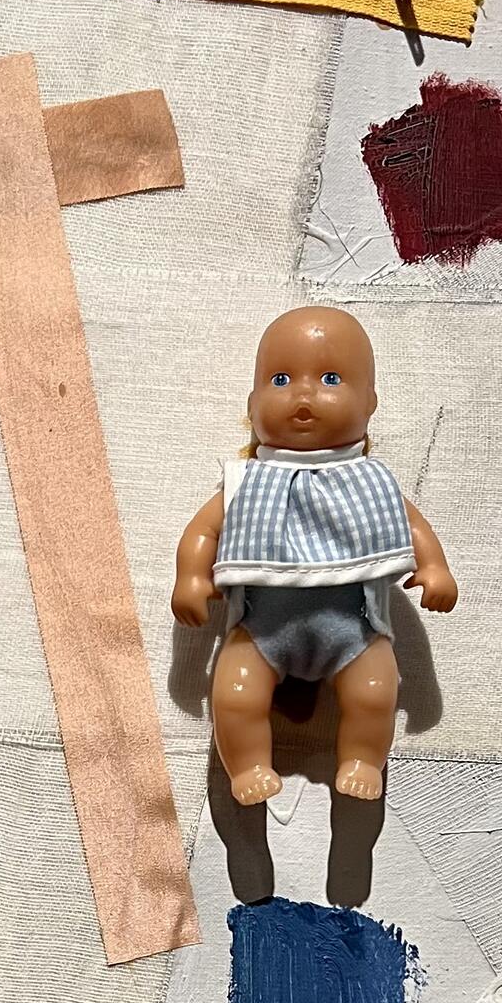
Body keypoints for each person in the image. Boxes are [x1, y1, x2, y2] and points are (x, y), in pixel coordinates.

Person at [172, 305, 457, 805]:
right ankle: (247, 764)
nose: (303, 395)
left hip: (355, 630)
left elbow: (411, 524)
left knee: (375, 692)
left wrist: (434, 567)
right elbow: (203, 530)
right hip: (260, 631)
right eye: (280, 380)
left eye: (330, 379)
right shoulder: (247, 481)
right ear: (253, 403)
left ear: (369, 402)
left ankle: (363, 758)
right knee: (234, 695)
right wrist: (192, 576)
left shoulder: (370, 480)